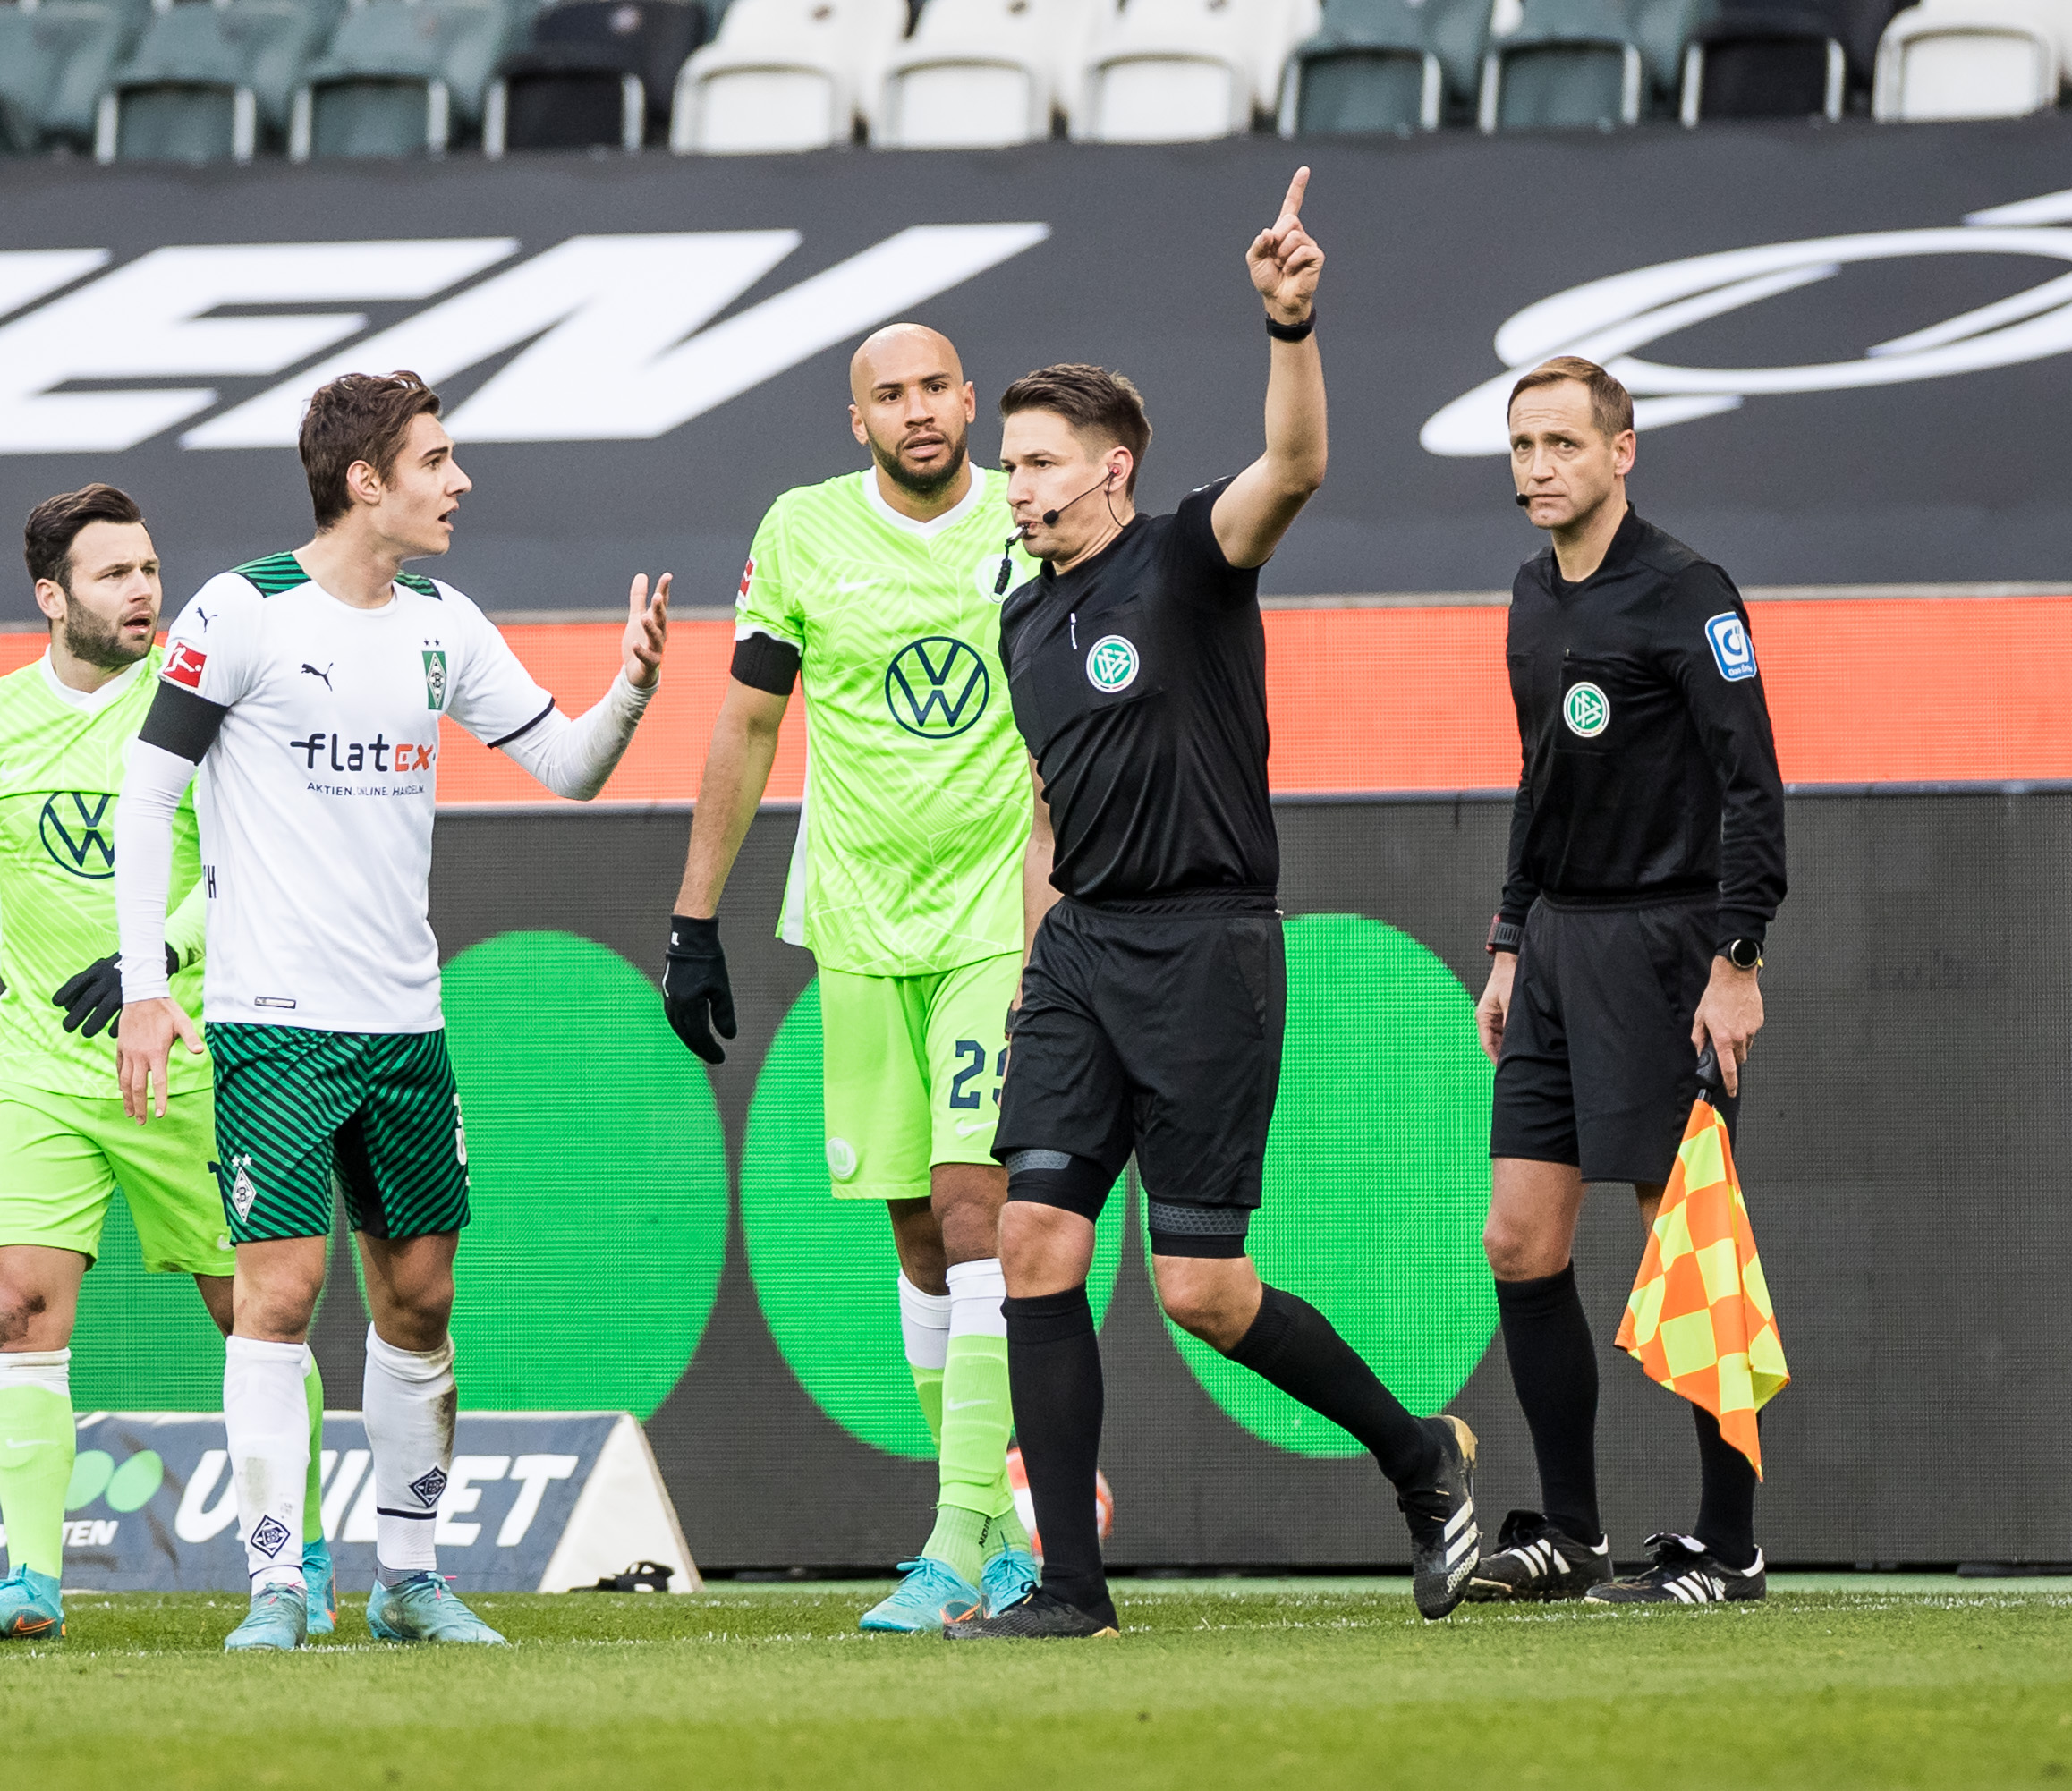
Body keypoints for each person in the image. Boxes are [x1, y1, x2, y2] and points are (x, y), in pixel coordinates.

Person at [947, 169, 1481, 1642]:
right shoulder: (1020, 612)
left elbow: (1294, 466)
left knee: (1200, 1289)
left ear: (1113, 469)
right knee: (1034, 1247)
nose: (1020, 483)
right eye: (1014, 463)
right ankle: (1071, 1588)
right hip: (1079, 953)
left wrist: (1288, 325)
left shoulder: (1189, 556)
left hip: (1209, 949)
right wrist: (1033, 940)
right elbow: (1053, 795)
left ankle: (1419, 1455)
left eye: (1043, 462)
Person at [110, 370, 670, 1651]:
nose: (458, 481)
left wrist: (631, 686)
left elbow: (571, 767)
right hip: (273, 1019)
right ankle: (273, 1584)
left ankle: (407, 1581)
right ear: (367, 481)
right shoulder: (238, 612)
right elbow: (149, 799)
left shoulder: (444, 623)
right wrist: (149, 989)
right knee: (280, 1293)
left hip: (405, 1024)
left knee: (418, 1302)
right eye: (436, 460)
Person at [0, 484, 327, 1644]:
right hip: (41, 1066)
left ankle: (300, 1559)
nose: (145, 590)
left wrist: (153, 959)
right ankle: (29, 1580)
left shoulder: (208, 698)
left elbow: (254, 870)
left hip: (199, 1055)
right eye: (115, 573)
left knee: (256, 1315)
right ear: (50, 596)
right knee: (19, 1307)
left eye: (152, 567)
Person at [661, 323, 1040, 1632]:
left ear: (971, 397)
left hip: (1001, 912)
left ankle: (950, 1538)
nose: (920, 409)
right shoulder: (805, 532)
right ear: (857, 418)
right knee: (919, 1232)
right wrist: (693, 917)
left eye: (939, 385)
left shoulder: (1025, 510)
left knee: (973, 1199)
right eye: (893, 394)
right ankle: (1000, 1536)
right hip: (860, 920)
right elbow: (752, 717)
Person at [1465, 355, 1786, 1609]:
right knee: (1518, 1237)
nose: (1539, 466)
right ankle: (1575, 1532)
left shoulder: (1688, 592)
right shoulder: (1531, 596)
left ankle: (1729, 1541)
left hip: (1669, 947)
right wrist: (1506, 942)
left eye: (1562, 443)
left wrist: (1738, 958)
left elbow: (1755, 781)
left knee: (1688, 1241)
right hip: (1553, 943)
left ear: (1622, 451)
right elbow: (1540, 780)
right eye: (1522, 445)